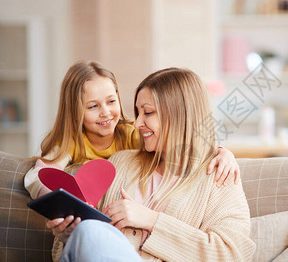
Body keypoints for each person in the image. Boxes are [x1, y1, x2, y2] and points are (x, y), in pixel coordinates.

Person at [48, 67, 255, 262]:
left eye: (148, 112)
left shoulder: (219, 176)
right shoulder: (119, 163)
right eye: (138, 112)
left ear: (180, 116)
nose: (137, 123)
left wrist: (151, 220)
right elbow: (72, 253)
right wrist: (68, 236)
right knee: (88, 231)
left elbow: (233, 258)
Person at [24, 61, 240, 200]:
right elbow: (40, 176)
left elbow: (186, 144)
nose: (106, 112)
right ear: (74, 111)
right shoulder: (70, 142)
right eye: (93, 106)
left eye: (111, 101)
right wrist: (53, 198)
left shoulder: (132, 134)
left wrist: (223, 152)